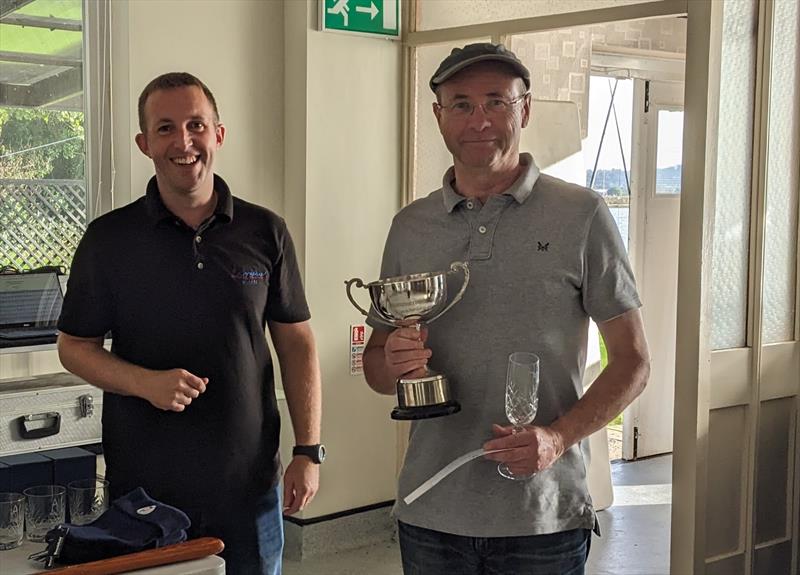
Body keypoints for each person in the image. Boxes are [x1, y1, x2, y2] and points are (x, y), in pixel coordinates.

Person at [362, 43, 650, 574]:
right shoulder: (410, 226)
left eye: (497, 101)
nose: (480, 120)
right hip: (431, 512)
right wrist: (395, 362)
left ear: (525, 109)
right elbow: (378, 371)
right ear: (438, 116)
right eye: (462, 104)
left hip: (542, 518)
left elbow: (633, 361)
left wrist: (558, 437)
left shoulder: (581, 215)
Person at [57, 72, 323, 575]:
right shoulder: (108, 239)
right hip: (145, 493)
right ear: (144, 143)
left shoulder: (265, 231)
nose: (183, 142)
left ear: (218, 134)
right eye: (165, 128)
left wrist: (309, 450)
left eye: (196, 125)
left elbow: (297, 344)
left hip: (250, 488)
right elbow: (74, 346)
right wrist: (145, 383)